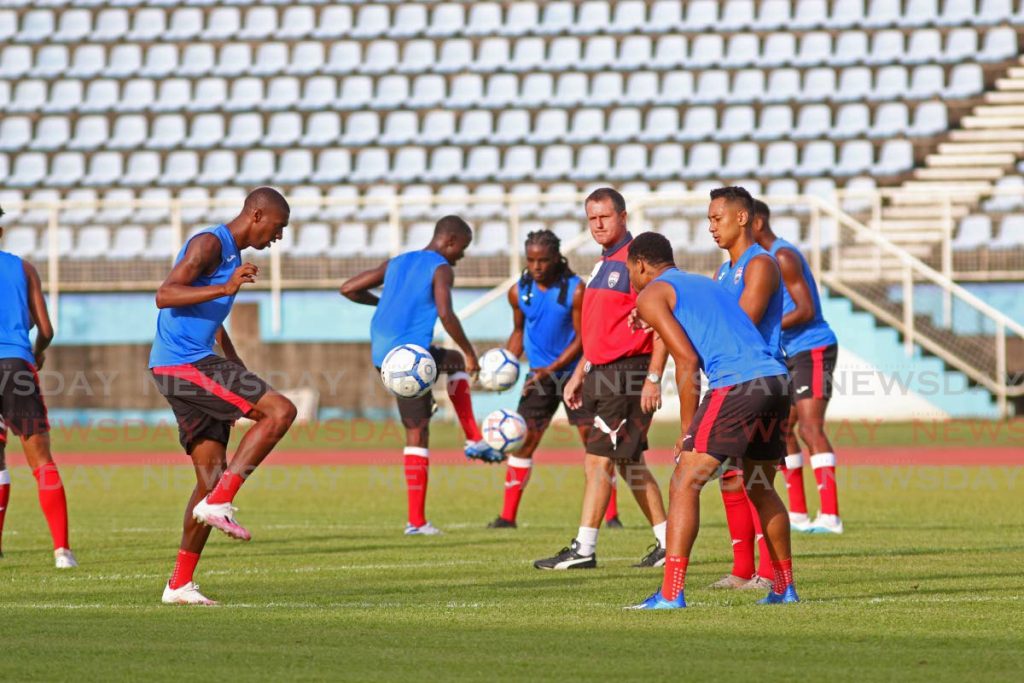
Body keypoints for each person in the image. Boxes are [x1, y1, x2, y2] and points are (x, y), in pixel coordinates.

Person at [624, 231, 797, 609]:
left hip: (738, 384)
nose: (631, 280)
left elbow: (685, 361)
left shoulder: (651, 294)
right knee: (760, 486)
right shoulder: (705, 282)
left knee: (685, 481)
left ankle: (671, 593)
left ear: (639, 265)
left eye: (630, 271)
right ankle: (784, 587)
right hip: (777, 380)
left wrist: (688, 431)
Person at [150, 187, 297, 605]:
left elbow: (212, 320)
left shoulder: (230, 255)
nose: (278, 236)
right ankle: (224, 500)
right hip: (184, 364)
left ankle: (179, 584)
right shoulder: (210, 243)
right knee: (281, 412)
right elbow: (166, 294)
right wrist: (225, 287)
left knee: (208, 483)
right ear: (256, 214)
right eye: (278, 226)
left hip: (183, 364)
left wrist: (235, 365)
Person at [342, 215, 503, 537]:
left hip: (386, 356)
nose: (462, 255)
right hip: (406, 360)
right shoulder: (441, 267)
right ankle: (416, 522)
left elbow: (347, 288)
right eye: (463, 248)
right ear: (451, 241)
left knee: (451, 363)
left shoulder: (398, 261)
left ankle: (472, 438)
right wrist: (472, 352)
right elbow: (446, 312)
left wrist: (385, 302)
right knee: (418, 432)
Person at [534, 188, 669, 570]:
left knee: (597, 462)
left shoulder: (637, 264)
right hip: (601, 372)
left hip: (626, 374)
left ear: (623, 217)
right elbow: (597, 330)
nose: (597, 225)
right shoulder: (601, 265)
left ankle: (584, 549)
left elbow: (662, 323)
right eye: (591, 218)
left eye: (604, 217)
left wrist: (654, 377)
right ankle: (667, 541)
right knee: (629, 462)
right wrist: (580, 373)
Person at [488, 229, 623, 529]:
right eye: (531, 260)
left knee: (594, 443)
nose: (536, 266)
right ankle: (507, 517)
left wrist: (553, 367)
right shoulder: (518, 291)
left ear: (556, 259)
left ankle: (611, 516)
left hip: (576, 375)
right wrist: (507, 366)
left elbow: (583, 338)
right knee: (523, 442)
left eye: (543, 260)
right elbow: (519, 333)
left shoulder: (576, 290)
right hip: (540, 378)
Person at [707, 187, 784, 591]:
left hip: (759, 381)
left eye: (717, 218)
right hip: (733, 380)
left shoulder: (761, 266)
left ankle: (772, 576)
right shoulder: (722, 273)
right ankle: (742, 571)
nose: (711, 227)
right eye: (708, 220)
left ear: (741, 218)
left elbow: (740, 326)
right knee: (732, 476)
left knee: (757, 481)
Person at [751, 200, 843, 534]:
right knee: (782, 430)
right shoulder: (759, 262)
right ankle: (799, 514)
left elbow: (806, 310)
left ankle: (831, 515)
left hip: (812, 347)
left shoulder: (783, 256)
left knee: (810, 428)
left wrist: (767, 325)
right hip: (788, 353)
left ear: (757, 222)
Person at [0, 204, 76, 568]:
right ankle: (62, 551)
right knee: (41, 461)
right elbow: (45, 330)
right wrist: (36, 354)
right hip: (16, 365)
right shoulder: (22, 268)